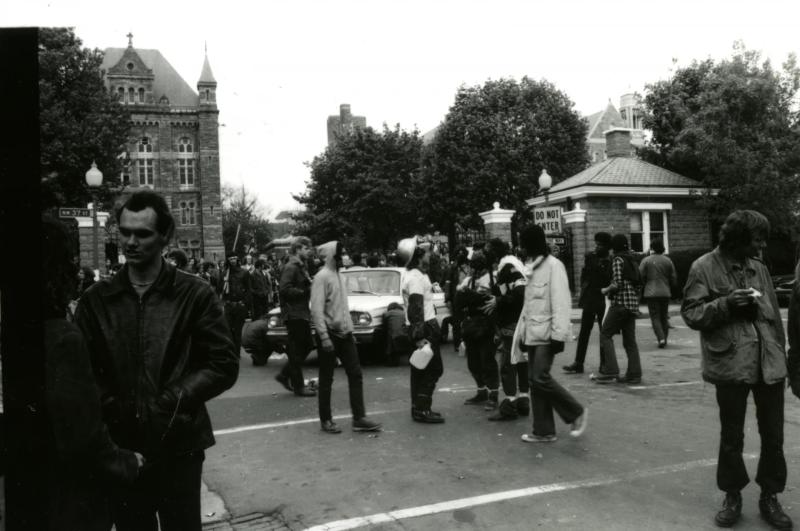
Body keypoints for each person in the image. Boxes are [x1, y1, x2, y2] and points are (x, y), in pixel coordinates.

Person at [74, 190, 239, 531]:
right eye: (125, 232)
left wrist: (169, 402)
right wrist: (113, 411)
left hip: (178, 446)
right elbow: (83, 373)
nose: (131, 242)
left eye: (143, 234)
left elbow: (222, 363)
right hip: (123, 450)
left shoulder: (194, 294)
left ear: (165, 236)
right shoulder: (97, 300)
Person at [683, 210, 791, 529]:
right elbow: (691, 313)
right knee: (732, 436)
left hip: (768, 362)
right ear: (740, 238)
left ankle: (770, 494)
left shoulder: (758, 268)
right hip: (730, 362)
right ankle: (732, 494)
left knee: (774, 436)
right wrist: (727, 304)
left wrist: (782, 358)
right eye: (757, 239)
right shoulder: (703, 267)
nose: (762, 246)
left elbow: (772, 317)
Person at [42, 216, 144, 530]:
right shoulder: (62, 337)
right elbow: (82, 437)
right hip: (67, 497)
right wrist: (125, 462)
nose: (132, 243)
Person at [511, 225, 586, 443]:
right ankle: (543, 430)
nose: (521, 247)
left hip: (548, 333)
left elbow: (561, 302)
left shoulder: (555, 266)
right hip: (533, 333)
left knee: (539, 377)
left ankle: (575, 411)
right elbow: (528, 307)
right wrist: (524, 336)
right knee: (535, 382)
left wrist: (558, 335)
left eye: (523, 243)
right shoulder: (532, 267)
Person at [310, 240, 382, 434]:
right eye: (341, 254)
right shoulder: (321, 277)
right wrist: (324, 337)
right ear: (333, 255)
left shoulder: (340, 275)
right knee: (327, 378)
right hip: (330, 334)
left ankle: (359, 418)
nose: (345, 257)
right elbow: (316, 311)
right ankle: (326, 420)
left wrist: (350, 329)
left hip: (345, 333)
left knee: (355, 374)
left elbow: (342, 307)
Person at [398, 236, 445, 423]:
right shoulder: (416, 278)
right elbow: (416, 309)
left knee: (420, 368)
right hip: (424, 326)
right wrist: (420, 337)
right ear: (418, 256)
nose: (429, 254)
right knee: (433, 369)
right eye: (425, 252)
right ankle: (422, 409)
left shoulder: (415, 275)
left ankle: (418, 407)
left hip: (421, 325)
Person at [484, 238, 530, 421]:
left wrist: (499, 301)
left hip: (512, 323)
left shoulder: (508, 268)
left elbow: (521, 292)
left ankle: (510, 404)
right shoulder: (511, 265)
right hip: (519, 321)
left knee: (508, 364)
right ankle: (524, 399)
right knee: (520, 361)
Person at [593, 234, 643, 385]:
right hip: (632, 305)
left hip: (620, 304)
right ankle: (634, 374)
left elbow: (617, 283)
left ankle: (611, 370)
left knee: (605, 334)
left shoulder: (617, 260)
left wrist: (604, 290)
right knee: (630, 341)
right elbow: (638, 283)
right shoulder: (632, 260)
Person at [563, 232, 612, 374]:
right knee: (584, 331)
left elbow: (607, 277)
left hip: (603, 299)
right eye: (596, 244)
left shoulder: (610, 261)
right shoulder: (590, 257)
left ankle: (604, 363)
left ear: (607, 246)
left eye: (600, 245)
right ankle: (578, 362)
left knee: (604, 333)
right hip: (591, 298)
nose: (597, 247)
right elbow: (585, 275)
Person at [457, 249, 500, 409]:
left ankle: (493, 394)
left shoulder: (492, 278)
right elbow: (460, 300)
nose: (474, 267)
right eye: (473, 264)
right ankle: (481, 390)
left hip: (487, 324)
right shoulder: (469, 280)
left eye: (477, 264)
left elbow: (488, 300)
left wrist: (472, 297)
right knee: (473, 362)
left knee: (487, 361)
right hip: (471, 324)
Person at [275, 236, 317, 397]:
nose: (309, 251)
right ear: (298, 249)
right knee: (301, 347)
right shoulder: (292, 267)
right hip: (294, 313)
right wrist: (305, 291)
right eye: (306, 248)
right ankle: (297, 385)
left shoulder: (300, 266)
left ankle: (285, 375)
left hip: (301, 312)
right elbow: (284, 289)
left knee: (301, 347)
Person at [639, 238, 677, 348]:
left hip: (651, 292)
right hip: (665, 292)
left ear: (652, 248)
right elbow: (673, 277)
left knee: (655, 316)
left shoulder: (646, 260)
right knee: (664, 316)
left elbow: (640, 275)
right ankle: (664, 337)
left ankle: (661, 338)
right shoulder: (668, 260)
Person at [221, 252, 252, 356]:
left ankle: (236, 353)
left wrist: (245, 304)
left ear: (237, 259)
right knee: (228, 330)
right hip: (229, 305)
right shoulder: (225, 273)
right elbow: (220, 289)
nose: (233, 261)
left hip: (240, 305)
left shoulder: (244, 272)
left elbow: (248, 290)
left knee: (238, 330)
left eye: (234, 258)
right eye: (231, 259)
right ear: (228, 261)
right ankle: (230, 352)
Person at [443, 246, 470, 353]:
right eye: (458, 253)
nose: (460, 255)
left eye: (462, 253)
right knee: (456, 322)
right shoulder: (452, 268)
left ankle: (467, 342)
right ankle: (457, 344)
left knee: (468, 320)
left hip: (468, 296)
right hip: (456, 298)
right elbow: (447, 284)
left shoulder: (470, 266)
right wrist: (448, 299)